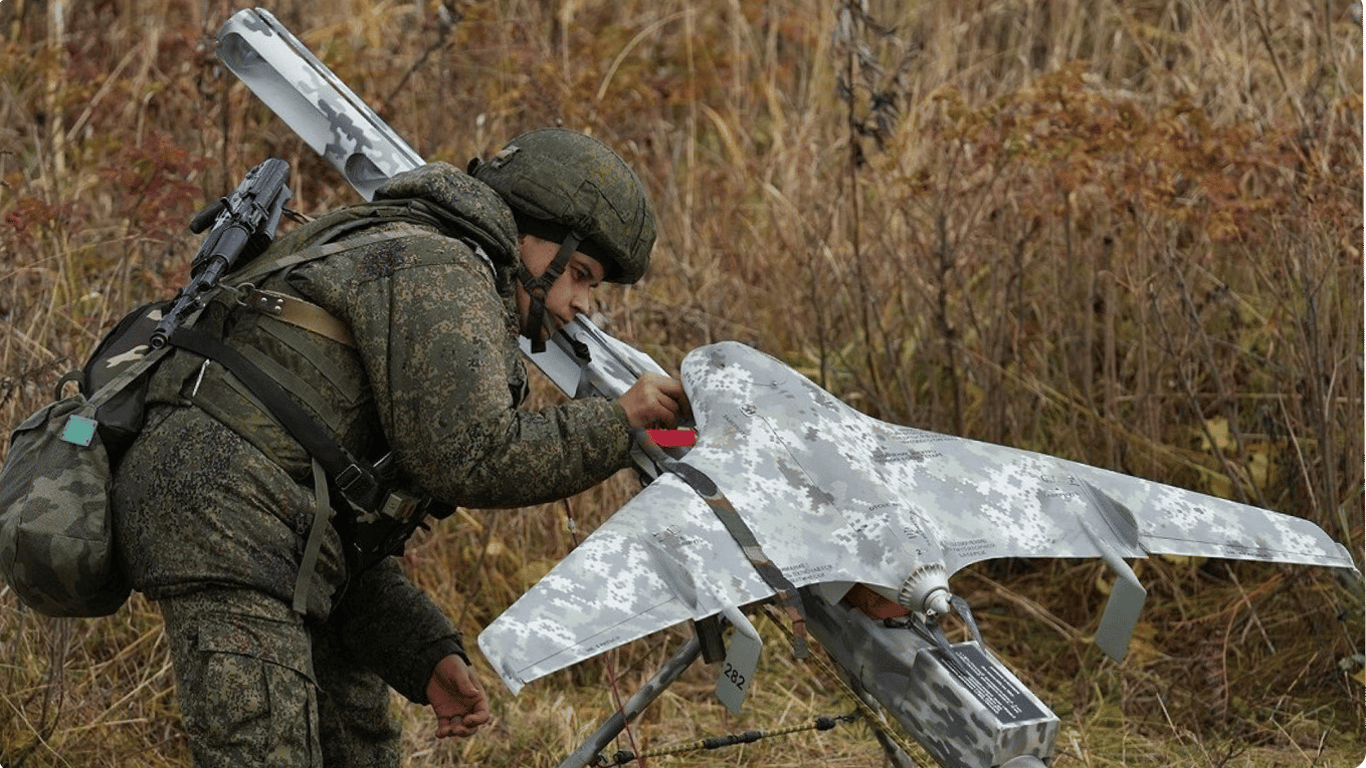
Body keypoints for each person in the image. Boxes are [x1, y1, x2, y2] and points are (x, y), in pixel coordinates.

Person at [112, 128, 689, 767]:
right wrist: (618, 422)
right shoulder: (442, 267)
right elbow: (473, 456)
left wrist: (421, 650)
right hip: (224, 522)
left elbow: (332, 506)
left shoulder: (413, 247)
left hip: (261, 522)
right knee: (263, 748)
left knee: (360, 750)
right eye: (579, 275)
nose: (580, 305)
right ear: (531, 236)